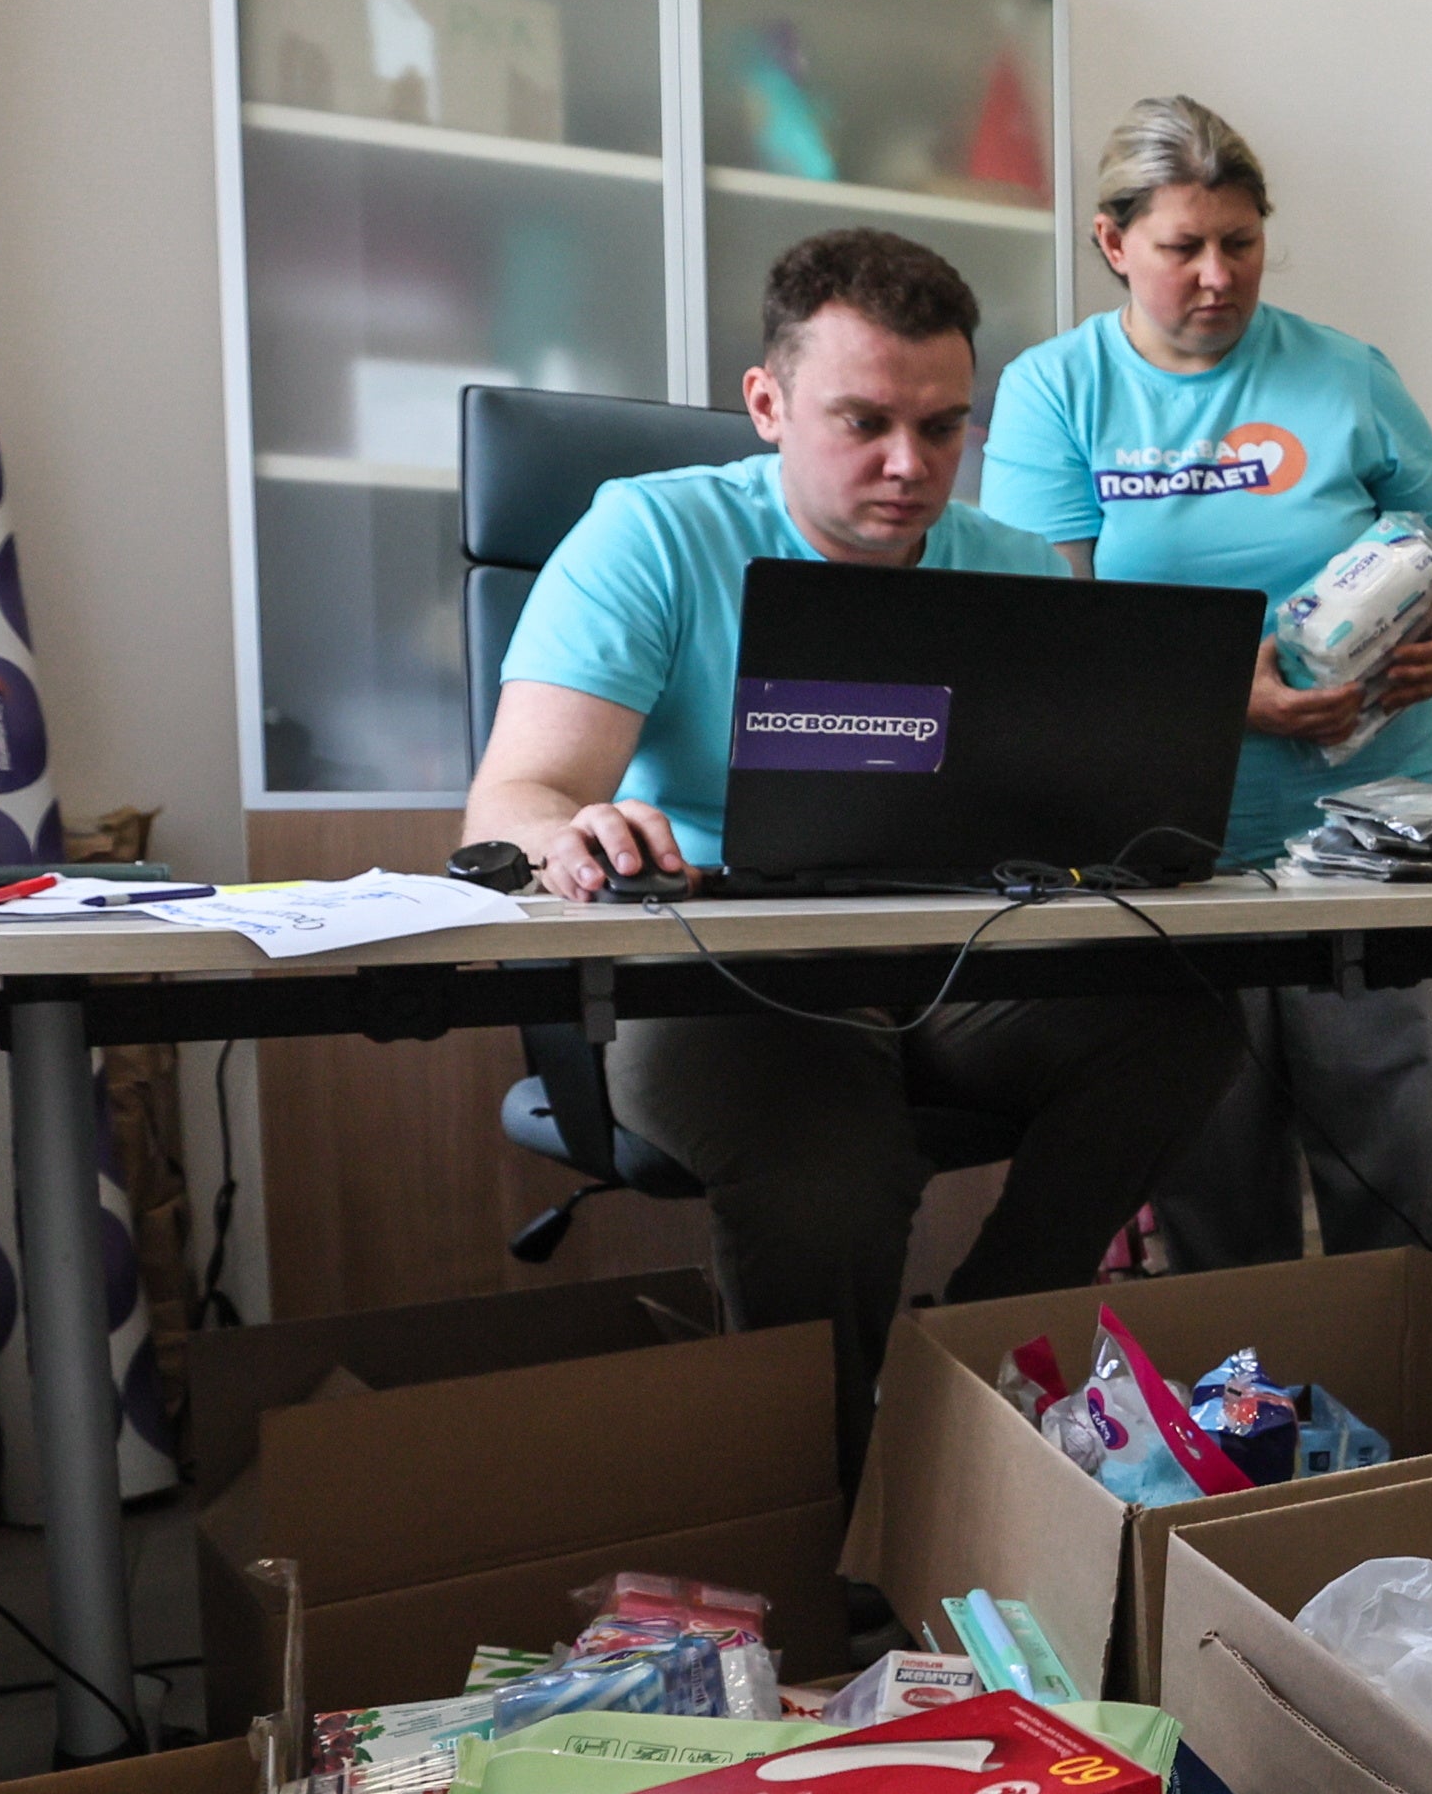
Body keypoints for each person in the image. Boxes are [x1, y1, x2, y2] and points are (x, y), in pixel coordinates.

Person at [465, 225, 1243, 1464]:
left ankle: (969, 1371)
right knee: (832, 1163)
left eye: (943, 428)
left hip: (948, 965)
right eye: (864, 421)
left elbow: (1066, 808)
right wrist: (576, 829)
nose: (910, 464)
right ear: (766, 404)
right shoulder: (650, 535)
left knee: (1181, 1025)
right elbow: (512, 796)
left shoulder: (1006, 564)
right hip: (723, 972)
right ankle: (829, 1503)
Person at [980, 97, 1432, 1270]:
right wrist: (1231, 700)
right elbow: (1050, 635)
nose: (1218, 276)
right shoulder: (1055, 391)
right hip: (1177, 859)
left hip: (1374, 850)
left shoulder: (1342, 372)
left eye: (1242, 242)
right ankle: (1257, 1446)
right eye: (1183, 248)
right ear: (1115, 244)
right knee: (1219, 1215)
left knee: (1423, 1203)